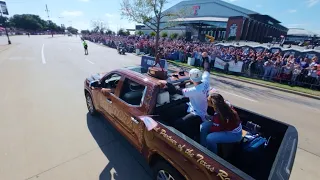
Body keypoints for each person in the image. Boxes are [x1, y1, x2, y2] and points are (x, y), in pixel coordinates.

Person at [158, 52, 211, 139]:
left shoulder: (195, 90)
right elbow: (207, 68)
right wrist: (205, 58)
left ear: (191, 78)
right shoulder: (205, 81)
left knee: (178, 123)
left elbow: (176, 91)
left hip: (198, 113)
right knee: (171, 111)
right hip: (191, 106)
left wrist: (165, 82)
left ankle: (185, 138)